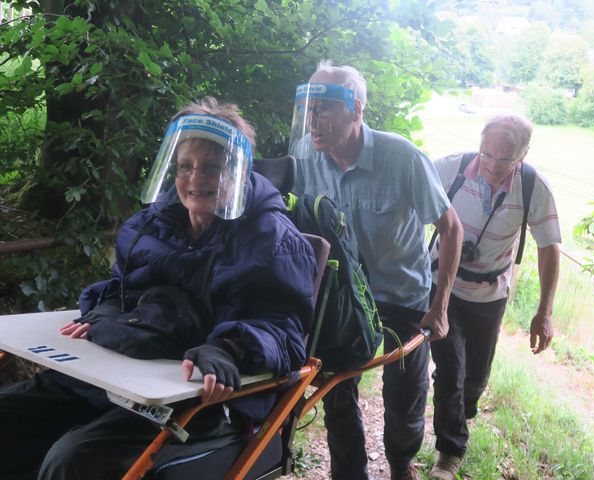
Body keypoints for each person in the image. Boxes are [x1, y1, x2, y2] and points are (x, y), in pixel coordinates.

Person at [0, 97, 317, 480]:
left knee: (75, 460)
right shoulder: (151, 224)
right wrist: (104, 310)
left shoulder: (275, 240)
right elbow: (122, 287)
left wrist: (229, 347)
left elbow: (284, 331)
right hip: (119, 377)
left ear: (237, 171)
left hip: (199, 397)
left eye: (212, 168)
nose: (195, 180)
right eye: (186, 166)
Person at [288, 60, 463, 480]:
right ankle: (350, 474)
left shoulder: (401, 156)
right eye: (309, 109)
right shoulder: (301, 156)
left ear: (357, 110)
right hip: (341, 298)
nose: (314, 120)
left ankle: (401, 464)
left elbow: (451, 227)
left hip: (401, 295)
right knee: (336, 391)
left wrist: (439, 306)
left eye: (325, 108)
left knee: (404, 396)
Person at [428, 114, 561, 479]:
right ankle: (449, 453)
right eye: (487, 154)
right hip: (444, 286)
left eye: (504, 159)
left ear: (523, 154)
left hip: (490, 294)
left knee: (475, 378)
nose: (492, 165)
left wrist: (543, 312)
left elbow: (549, 247)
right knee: (451, 371)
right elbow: (408, 208)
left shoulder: (533, 187)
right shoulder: (449, 169)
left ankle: (459, 411)